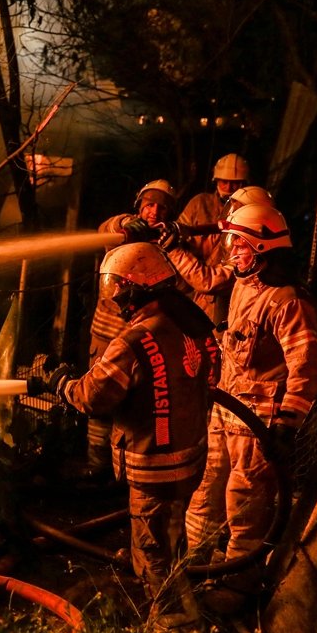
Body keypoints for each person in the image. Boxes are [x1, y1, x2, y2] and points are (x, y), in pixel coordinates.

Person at [49, 242, 218, 629]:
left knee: (151, 553)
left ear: (133, 289)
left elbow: (93, 396)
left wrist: (61, 384)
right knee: (171, 538)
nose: (114, 297)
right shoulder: (193, 326)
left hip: (152, 467)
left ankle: (170, 630)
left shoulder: (132, 342)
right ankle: (177, 602)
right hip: (189, 458)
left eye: (117, 288)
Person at [183, 203, 317, 613]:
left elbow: (305, 367)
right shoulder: (246, 284)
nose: (232, 253)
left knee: (243, 503)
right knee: (204, 489)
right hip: (224, 410)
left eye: (240, 245)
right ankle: (196, 567)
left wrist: (288, 422)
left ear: (263, 248)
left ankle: (238, 584)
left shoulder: (287, 302)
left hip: (257, 423)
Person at [80, 179, 179, 480]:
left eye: (161, 207)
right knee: (97, 395)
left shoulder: (166, 243)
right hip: (107, 333)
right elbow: (105, 229)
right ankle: (95, 466)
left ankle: (118, 473)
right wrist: (126, 223)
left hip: (139, 337)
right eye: (149, 204)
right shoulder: (123, 230)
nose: (154, 211)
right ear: (139, 205)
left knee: (131, 403)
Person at [159, 185, 275, 326]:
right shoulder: (233, 240)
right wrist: (181, 234)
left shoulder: (254, 256)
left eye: (238, 212)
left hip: (226, 325)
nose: (231, 217)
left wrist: (175, 250)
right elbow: (202, 244)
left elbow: (209, 281)